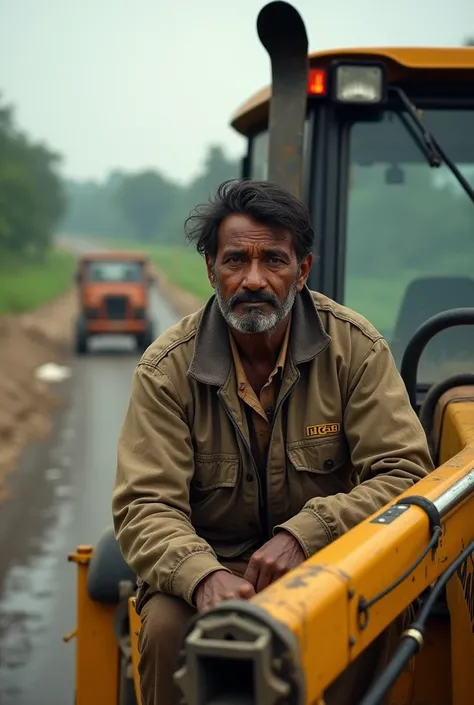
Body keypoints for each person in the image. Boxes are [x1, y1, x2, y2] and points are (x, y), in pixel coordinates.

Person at [112, 178, 434, 705]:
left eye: (275, 262)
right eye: (236, 260)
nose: (254, 280)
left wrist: (307, 533)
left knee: (384, 605)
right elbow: (145, 504)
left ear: (302, 271)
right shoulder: (166, 368)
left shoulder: (355, 349)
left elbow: (404, 475)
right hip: (211, 565)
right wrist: (201, 577)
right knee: (169, 628)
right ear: (211, 268)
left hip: (330, 560)